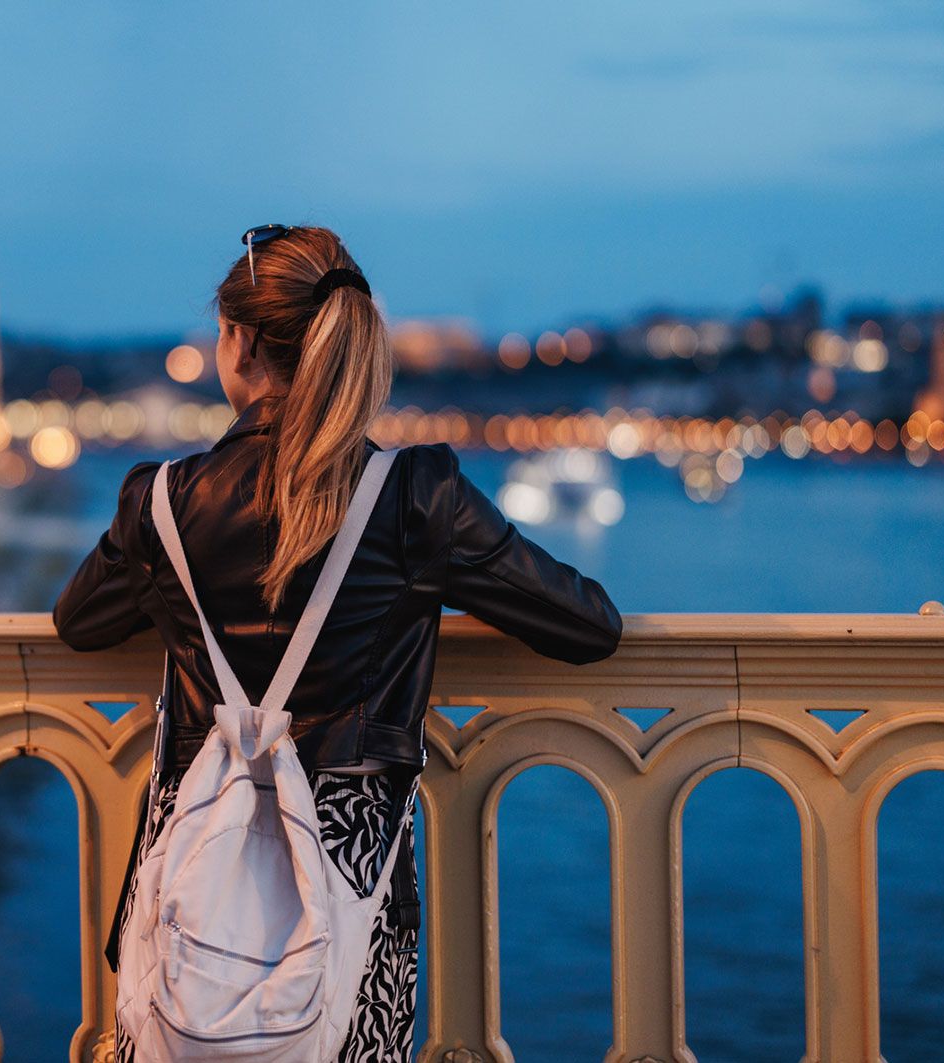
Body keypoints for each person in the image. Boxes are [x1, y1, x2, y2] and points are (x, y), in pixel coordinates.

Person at [53, 223, 622, 1061]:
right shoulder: (414, 499)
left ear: (240, 344)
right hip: (348, 887)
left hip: (192, 883)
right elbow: (587, 625)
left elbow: (80, 622)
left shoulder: (163, 505)